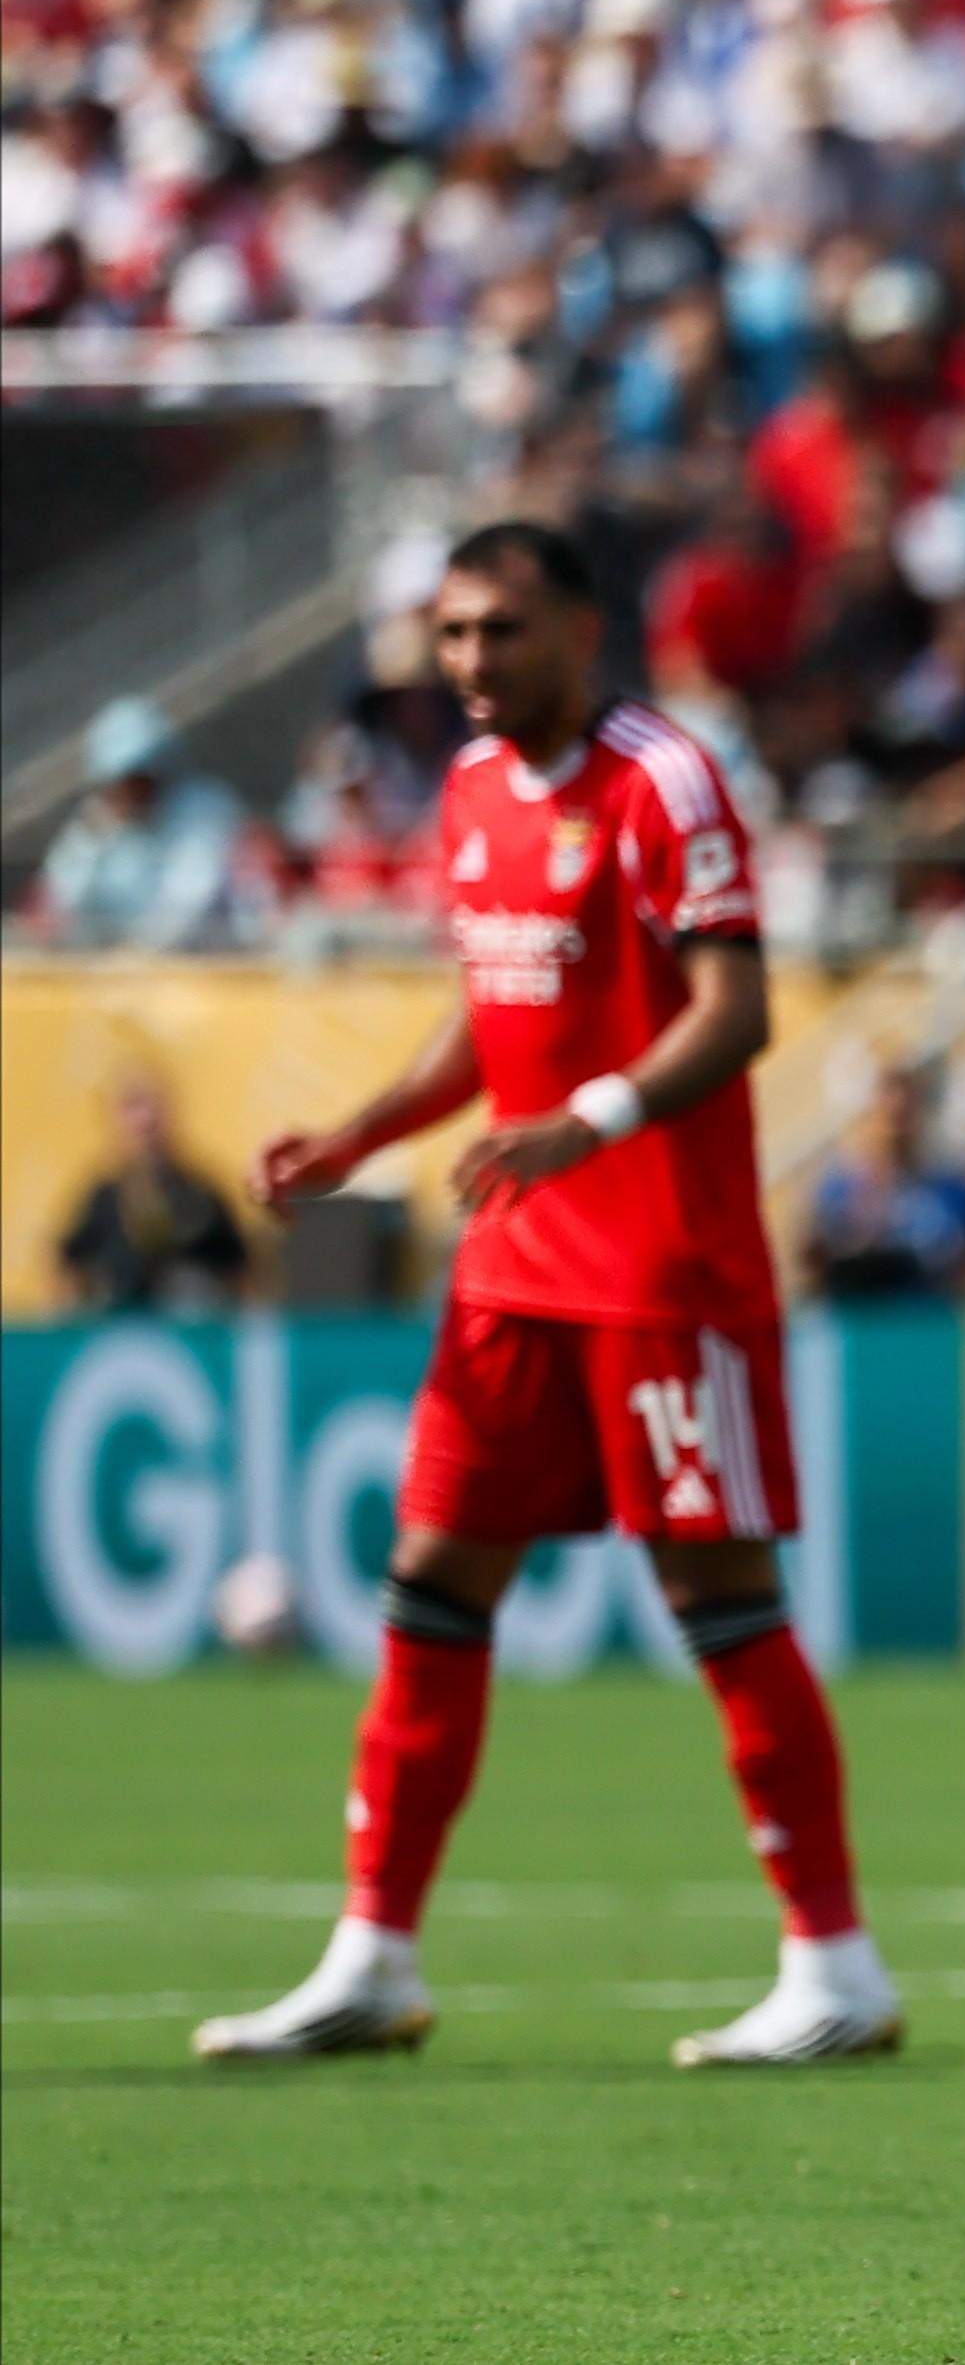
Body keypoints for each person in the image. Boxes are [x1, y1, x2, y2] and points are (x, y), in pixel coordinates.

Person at [205, 523, 899, 2070]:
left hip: (663, 1265)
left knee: (720, 1598)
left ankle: (835, 1962)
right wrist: (365, 1134)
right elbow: (492, 1011)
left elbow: (740, 1009)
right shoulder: (463, 793)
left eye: (500, 631)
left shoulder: (665, 779)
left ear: (581, 631)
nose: (469, 663)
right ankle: (373, 1954)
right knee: (433, 1580)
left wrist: (588, 1119)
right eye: (451, 634)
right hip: (513, 1268)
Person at [28, 699, 255, 950]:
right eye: (117, 783)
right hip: (121, 973)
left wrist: (135, 955)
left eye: (137, 779)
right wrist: (89, 842)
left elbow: (188, 902)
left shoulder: (206, 810)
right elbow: (59, 899)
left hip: (209, 966)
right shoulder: (97, 821)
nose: (127, 793)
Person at [55, 1077, 249, 1313]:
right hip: (120, 1333)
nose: (145, 1123)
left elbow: (241, 1270)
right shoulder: (102, 1198)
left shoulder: (202, 1194)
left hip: (192, 1334)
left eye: (153, 1114)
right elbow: (68, 1265)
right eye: (132, 1110)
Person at [803, 1069, 965, 1302]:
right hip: (862, 1320)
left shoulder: (954, 1187)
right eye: (888, 1111)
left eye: (905, 1112)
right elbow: (812, 1264)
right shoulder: (838, 1189)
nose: (897, 1121)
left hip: (931, 1317)